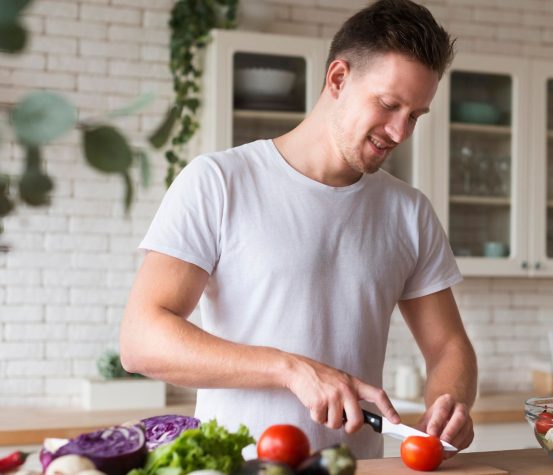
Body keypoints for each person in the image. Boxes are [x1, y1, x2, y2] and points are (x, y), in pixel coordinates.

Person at [120, 0, 478, 460]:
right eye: (389, 105)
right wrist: (289, 369)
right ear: (338, 79)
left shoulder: (408, 212)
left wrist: (450, 402)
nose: (400, 132)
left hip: (357, 468)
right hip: (238, 466)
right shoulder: (220, 182)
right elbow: (141, 340)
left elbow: (449, 346)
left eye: (415, 115)